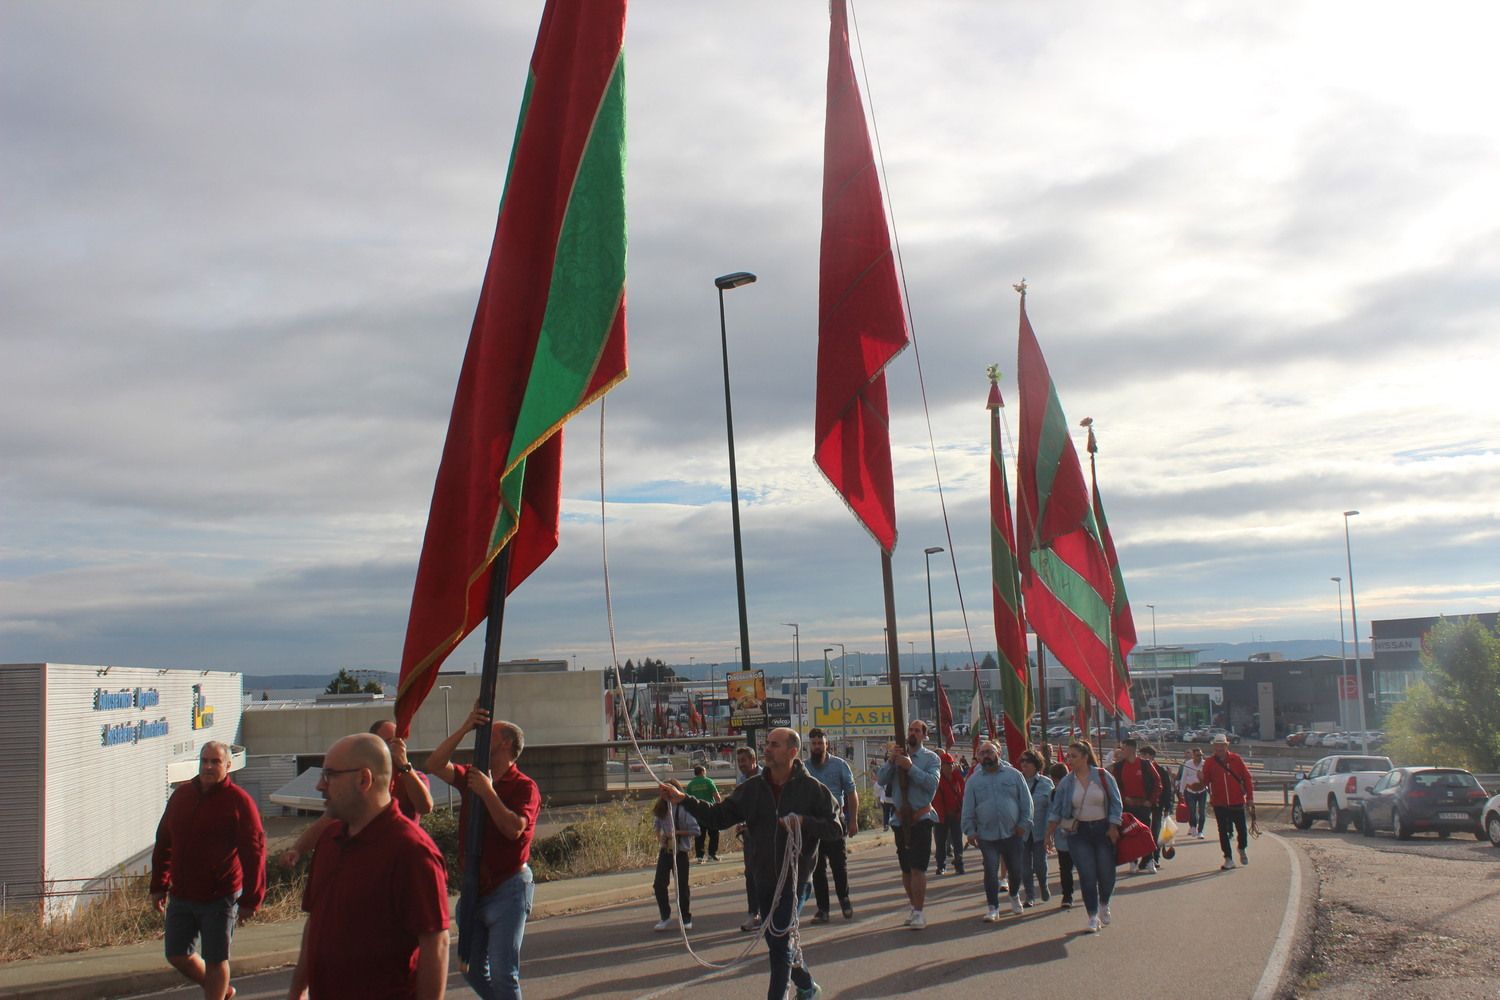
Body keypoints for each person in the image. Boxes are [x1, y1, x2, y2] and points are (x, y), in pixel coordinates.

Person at [661, 728, 840, 1000]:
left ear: (792, 752)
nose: (767, 749)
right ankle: (806, 985)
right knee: (775, 940)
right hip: (764, 879)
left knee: (779, 940)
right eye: (766, 744)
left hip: (795, 881)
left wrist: (804, 823)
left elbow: (835, 829)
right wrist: (684, 800)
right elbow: (719, 816)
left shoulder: (813, 790)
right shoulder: (752, 789)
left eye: (775, 745)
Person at [288, 733, 449, 1000]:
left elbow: (435, 945)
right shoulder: (329, 840)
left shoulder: (412, 851)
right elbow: (315, 922)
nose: (319, 785)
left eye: (329, 775)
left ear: (364, 779)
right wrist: (297, 990)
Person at [427, 707, 542, 1000]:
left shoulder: (524, 787)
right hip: (474, 888)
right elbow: (435, 763)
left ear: (505, 743)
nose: (481, 737)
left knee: (504, 973)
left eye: (489, 734)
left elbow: (513, 828)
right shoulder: (472, 775)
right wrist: (465, 726)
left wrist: (488, 792)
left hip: (509, 888)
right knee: (470, 968)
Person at [150, 741, 266, 1000]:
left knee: (216, 959)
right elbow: (165, 840)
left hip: (220, 895)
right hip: (182, 894)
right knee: (176, 953)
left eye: (215, 762)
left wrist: (252, 899)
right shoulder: (181, 797)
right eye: (205, 761)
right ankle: (222, 990)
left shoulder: (239, 801)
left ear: (228, 765)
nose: (209, 766)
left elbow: (255, 851)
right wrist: (159, 884)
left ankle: (216, 991)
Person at [281, 718, 434, 866]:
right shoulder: (362, 779)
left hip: (400, 856)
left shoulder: (413, 777)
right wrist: (297, 848)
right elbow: (328, 819)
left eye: (398, 741)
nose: (395, 747)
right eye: (389, 742)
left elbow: (425, 807)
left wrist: (405, 767)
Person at [1046, 740, 1123, 934]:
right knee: (1087, 875)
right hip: (1078, 833)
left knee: (1106, 873)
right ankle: (1092, 915)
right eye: (1069, 756)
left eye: (1074, 756)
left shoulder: (1103, 776)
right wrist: (1049, 834)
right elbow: (1056, 810)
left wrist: (1114, 825)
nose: (1069, 760)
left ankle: (1104, 902)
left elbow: (1116, 802)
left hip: (1103, 830)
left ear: (1085, 756)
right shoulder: (1066, 782)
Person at [876, 720, 942, 929]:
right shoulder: (896, 756)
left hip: (921, 818)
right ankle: (913, 907)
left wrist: (910, 768)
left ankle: (920, 912)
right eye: (910, 730)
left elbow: (931, 784)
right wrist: (892, 761)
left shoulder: (931, 759)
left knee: (917, 867)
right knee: (905, 869)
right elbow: (882, 779)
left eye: (917, 731)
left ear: (924, 735)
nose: (912, 733)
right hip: (899, 820)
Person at [960, 741, 1033, 922]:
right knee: (990, 871)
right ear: (978, 757)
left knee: (1016, 871)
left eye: (989, 752)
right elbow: (967, 808)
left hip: (1013, 834)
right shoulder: (973, 781)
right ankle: (993, 907)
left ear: (998, 753)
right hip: (987, 835)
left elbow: (1027, 803)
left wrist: (1024, 824)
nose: (986, 756)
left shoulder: (1014, 775)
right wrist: (970, 831)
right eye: (982, 753)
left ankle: (1014, 895)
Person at [803, 728, 858, 922]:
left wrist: (853, 821)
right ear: (810, 745)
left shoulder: (840, 765)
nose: (817, 747)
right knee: (817, 868)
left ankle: (844, 899)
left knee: (838, 865)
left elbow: (851, 793)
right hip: (813, 825)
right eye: (814, 743)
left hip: (835, 822)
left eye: (821, 743)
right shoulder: (803, 768)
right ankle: (823, 909)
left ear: (827, 745)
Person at [651, 779, 700, 931]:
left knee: (682, 886)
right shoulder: (661, 807)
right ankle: (665, 916)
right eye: (662, 791)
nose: (664, 794)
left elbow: (696, 830)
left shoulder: (684, 809)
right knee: (659, 884)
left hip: (680, 851)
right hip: (666, 851)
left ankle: (686, 917)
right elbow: (656, 827)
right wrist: (662, 839)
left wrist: (677, 833)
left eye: (667, 790)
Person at [1202, 733, 1255, 870]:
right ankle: (1228, 858)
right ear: (1214, 747)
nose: (1219, 748)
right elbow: (1205, 782)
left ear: (1226, 746)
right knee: (1223, 831)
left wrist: (1250, 798)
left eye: (1222, 745)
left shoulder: (1236, 759)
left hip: (1237, 801)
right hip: (1220, 802)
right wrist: (1201, 778)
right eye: (1217, 746)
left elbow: (1247, 778)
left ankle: (1242, 847)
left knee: (1241, 829)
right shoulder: (1209, 762)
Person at [1109, 737, 1160, 874]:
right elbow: (1115, 786)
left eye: (1123, 748)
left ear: (1131, 749)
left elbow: (1157, 783)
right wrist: (1123, 799)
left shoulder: (1145, 765)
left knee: (1145, 833)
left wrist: (1150, 800)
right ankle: (1133, 861)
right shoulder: (1119, 767)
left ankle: (1149, 860)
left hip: (1143, 804)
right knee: (1129, 834)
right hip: (1127, 806)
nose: (1122, 751)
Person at [1017, 749, 1055, 906]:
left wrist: (1049, 832)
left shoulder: (1046, 783)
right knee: (1025, 867)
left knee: (1040, 865)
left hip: (1040, 831)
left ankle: (1043, 885)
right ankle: (1029, 895)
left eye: (1028, 761)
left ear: (1036, 764)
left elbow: (1051, 808)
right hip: (1022, 832)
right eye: (1022, 761)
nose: (1024, 764)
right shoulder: (1017, 782)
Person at [734, 745, 764, 931]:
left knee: (767, 873)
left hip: (767, 833)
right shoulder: (741, 780)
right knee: (750, 873)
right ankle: (754, 913)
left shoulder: (766, 777)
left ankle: (769, 912)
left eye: (743, 761)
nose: (741, 765)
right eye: (739, 762)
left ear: (753, 760)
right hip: (749, 835)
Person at [1045, 759, 1075, 908]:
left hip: (1076, 834)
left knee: (1070, 867)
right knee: (1066, 868)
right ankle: (1067, 895)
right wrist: (1049, 835)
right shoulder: (1053, 794)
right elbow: (1053, 815)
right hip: (1063, 835)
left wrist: (1048, 835)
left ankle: (1068, 896)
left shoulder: (1074, 789)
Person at [932, 751, 967, 876]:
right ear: (942, 766)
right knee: (940, 842)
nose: (950, 767)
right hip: (941, 816)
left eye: (952, 764)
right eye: (948, 764)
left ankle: (959, 864)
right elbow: (936, 799)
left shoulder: (956, 777)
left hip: (955, 815)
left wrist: (958, 772)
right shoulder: (938, 778)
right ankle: (941, 866)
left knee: (957, 841)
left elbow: (963, 789)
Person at [1140, 745, 1174, 865]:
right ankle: (1146, 857)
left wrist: (1167, 807)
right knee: (1145, 831)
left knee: (1156, 831)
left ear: (1150, 756)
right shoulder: (1140, 770)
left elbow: (1167, 790)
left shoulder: (1160, 771)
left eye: (1144, 755)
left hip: (1157, 805)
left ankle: (1155, 857)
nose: (1142, 757)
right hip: (1142, 805)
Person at [683, 765, 722, 863]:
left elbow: (687, 799)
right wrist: (720, 807)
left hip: (697, 812)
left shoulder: (691, 784)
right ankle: (712, 854)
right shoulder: (708, 781)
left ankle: (700, 856)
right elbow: (716, 796)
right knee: (714, 833)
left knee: (700, 835)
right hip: (710, 811)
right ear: (702, 772)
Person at [1178, 746, 1209, 839]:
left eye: (1201, 755)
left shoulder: (1205, 764)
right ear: (1193, 756)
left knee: (1202, 811)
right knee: (1192, 811)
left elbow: (1209, 778)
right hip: (1190, 791)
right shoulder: (1188, 764)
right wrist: (1181, 791)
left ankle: (1200, 831)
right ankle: (1193, 827)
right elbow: (1183, 778)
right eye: (1197, 755)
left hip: (1202, 791)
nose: (1200, 757)